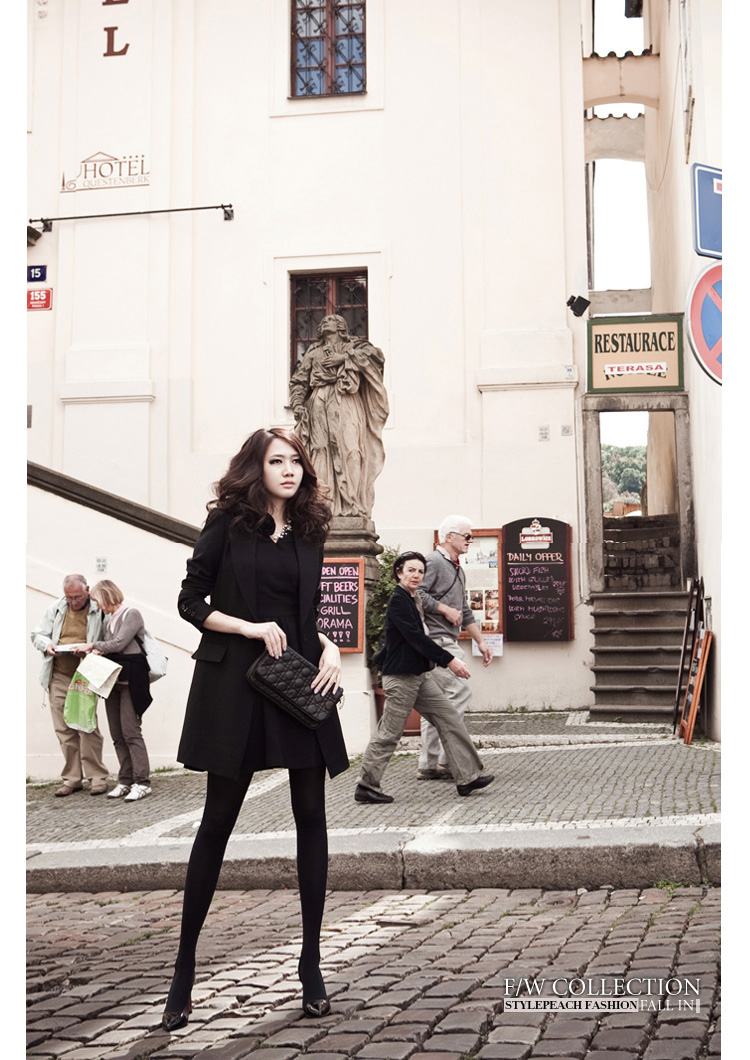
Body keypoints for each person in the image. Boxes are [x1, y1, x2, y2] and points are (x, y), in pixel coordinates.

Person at [162, 427, 347, 1031]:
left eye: (296, 461)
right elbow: (191, 601)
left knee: (312, 817)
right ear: (255, 468)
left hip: (297, 682)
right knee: (217, 821)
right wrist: (246, 626)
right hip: (236, 688)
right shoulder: (227, 525)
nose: (289, 470)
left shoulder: (311, 529)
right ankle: (183, 971)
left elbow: (306, 612)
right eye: (276, 461)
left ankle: (311, 966)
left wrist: (328, 646)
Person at [355, 551, 494, 805]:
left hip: (419, 675)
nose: (416, 575)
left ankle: (468, 777)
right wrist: (449, 660)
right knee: (389, 733)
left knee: (449, 718)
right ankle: (366, 785)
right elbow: (416, 639)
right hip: (401, 678)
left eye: (420, 571)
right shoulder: (399, 600)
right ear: (399, 572)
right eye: (411, 570)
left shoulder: (414, 598)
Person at [416, 515, 494, 781]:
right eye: (467, 536)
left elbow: (464, 609)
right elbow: (416, 593)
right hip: (436, 641)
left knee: (436, 700)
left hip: (444, 641)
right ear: (449, 537)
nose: (471, 541)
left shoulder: (458, 569)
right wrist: (443, 609)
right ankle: (446, 759)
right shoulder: (434, 562)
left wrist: (481, 641)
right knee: (460, 691)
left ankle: (429, 762)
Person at [289, 314, 389, 518]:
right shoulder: (313, 352)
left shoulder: (355, 346)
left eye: (332, 320)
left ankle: (353, 503)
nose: (326, 321)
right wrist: (298, 403)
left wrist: (345, 358)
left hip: (346, 400)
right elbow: (299, 381)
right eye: (324, 320)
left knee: (351, 449)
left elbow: (376, 357)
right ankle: (322, 505)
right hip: (318, 402)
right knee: (319, 451)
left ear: (342, 327)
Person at [30, 575, 110, 797]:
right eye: (69, 597)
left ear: (87, 590)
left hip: (85, 674)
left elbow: (108, 640)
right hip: (58, 674)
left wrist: (91, 649)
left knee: (87, 726)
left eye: (77, 597)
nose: (73, 602)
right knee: (64, 729)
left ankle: (97, 777)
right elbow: (37, 634)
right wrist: (48, 645)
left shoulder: (98, 610)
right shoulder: (56, 608)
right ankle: (73, 778)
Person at [80, 580, 153, 802]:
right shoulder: (109, 619)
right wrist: (97, 651)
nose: (97, 606)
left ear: (106, 597)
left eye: (97, 601)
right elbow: (110, 647)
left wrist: (93, 645)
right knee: (117, 735)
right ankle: (125, 780)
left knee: (131, 732)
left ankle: (142, 782)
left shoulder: (131, 614)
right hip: (113, 681)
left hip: (132, 681)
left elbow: (120, 643)